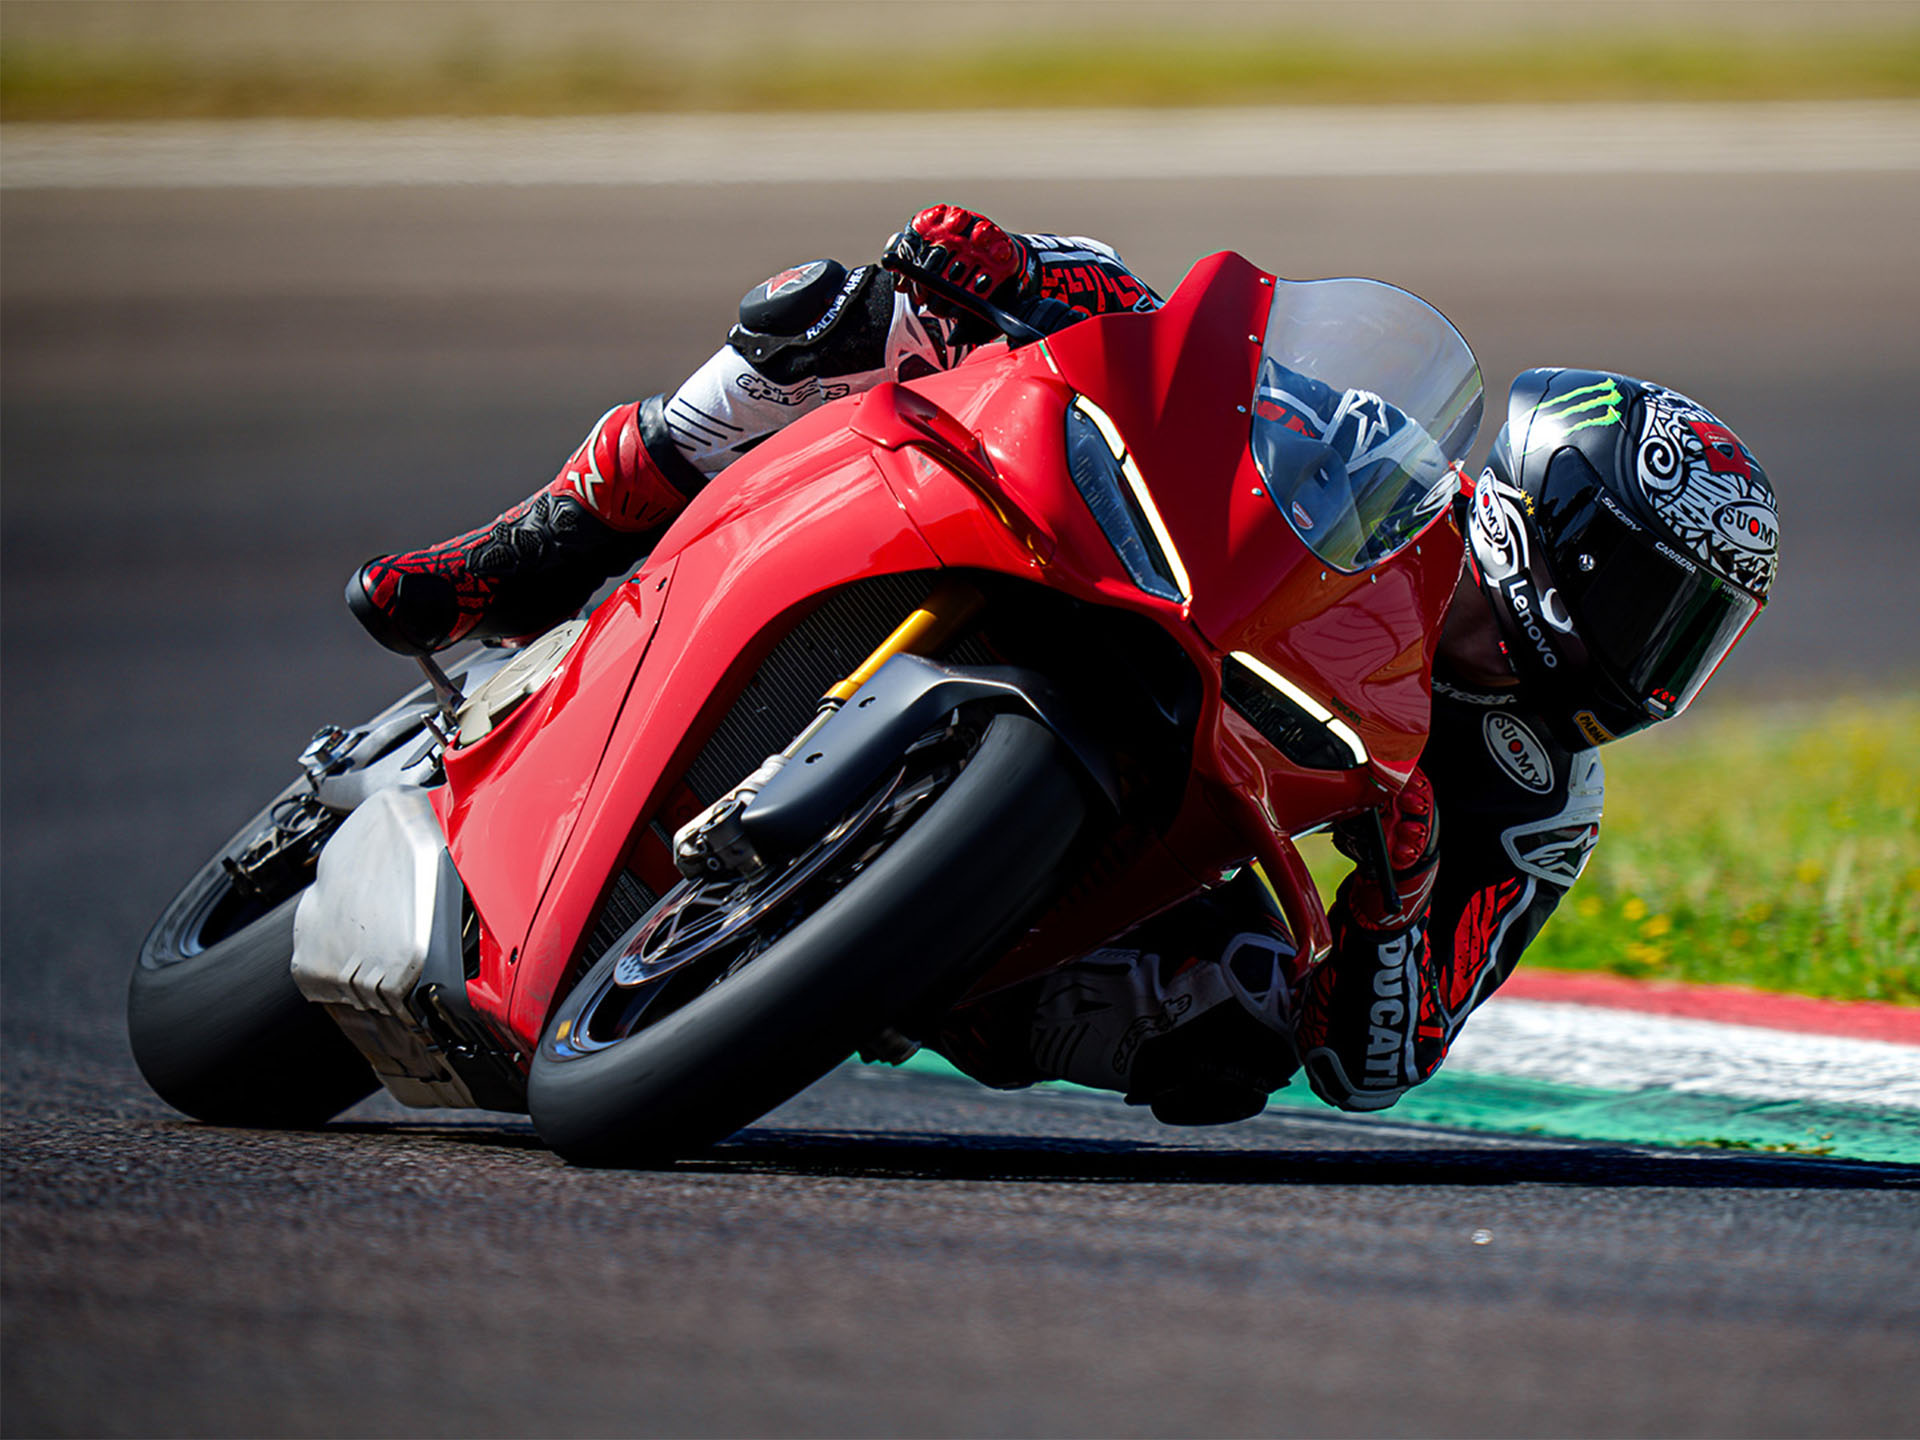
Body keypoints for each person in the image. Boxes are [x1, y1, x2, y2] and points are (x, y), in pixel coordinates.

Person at [346, 206, 1780, 1124]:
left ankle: (891, 950)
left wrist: (1397, 903)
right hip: (1121, 585)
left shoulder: (1542, 802)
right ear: (1566, 526)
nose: (1660, 669)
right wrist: (1032, 274)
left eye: (1695, 641)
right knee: (836, 317)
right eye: (1662, 611)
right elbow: (1183, 348)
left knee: (1244, 1011)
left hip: (1136, 865)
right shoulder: (1375, 452)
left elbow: (1379, 1066)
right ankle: (527, 548)